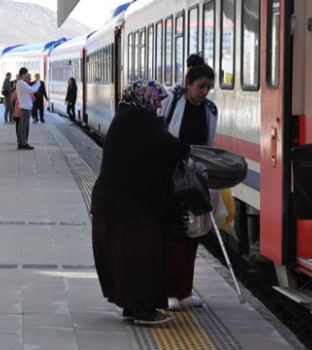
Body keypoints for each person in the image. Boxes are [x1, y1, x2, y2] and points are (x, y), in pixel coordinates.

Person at [91, 79, 191, 325]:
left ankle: (133, 306)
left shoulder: (127, 116)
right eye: (156, 99)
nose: (158, 104)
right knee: (143, 257)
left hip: (118, 202)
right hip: (129, 204)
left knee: (129, 257)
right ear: (144, 97)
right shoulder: (138, 118)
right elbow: (171, 147)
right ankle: (144, 310)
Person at [158, 54, 218, 311]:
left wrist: (205, 170)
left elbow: (209, 145)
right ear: (189, 83)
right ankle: (168, 290)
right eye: (200, 86)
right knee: (172, 233)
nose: (204, 92)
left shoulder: (210, 110)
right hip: (170, 176)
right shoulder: (171, 101)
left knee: (193, 234)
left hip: (195, 178)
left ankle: (184, 290)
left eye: (208, 88)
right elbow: (159, 137)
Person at [15, 67, 41, 150]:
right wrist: (38, 82)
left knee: (21, 125)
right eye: (26, 73)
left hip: (24, 106)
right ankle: (23, 143)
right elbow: (32, 90)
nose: (27, 75)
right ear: (23, 74)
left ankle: (20, 142)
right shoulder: (22, 83)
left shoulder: (20, 83)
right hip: (25, 107)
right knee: (24, 126)